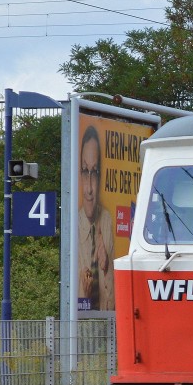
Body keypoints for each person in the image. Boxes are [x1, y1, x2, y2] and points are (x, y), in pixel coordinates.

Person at [78, 125, 115, 311]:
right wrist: (85, 296)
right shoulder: (72, 227)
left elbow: (114, 303)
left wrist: (106, 267)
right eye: (85, 172)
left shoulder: (107, 220)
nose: (90, 189)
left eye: (95, 172)